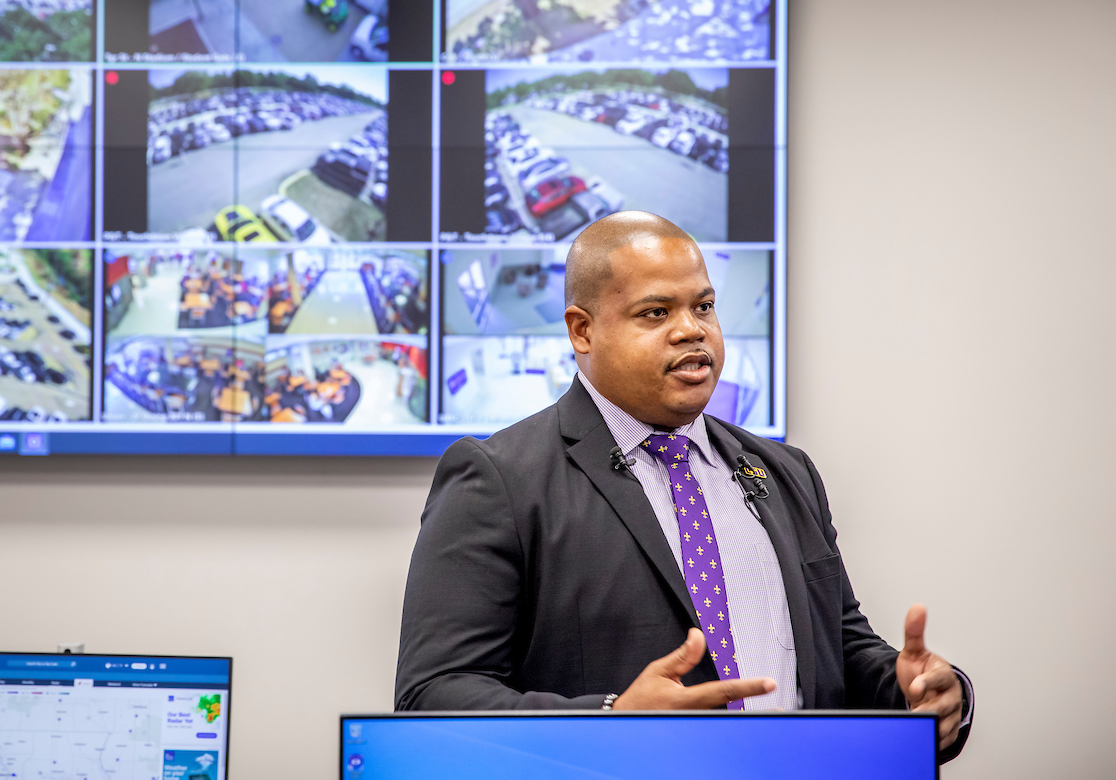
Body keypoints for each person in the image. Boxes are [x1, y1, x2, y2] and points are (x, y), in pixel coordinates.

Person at [395, 211, 973, 762]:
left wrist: (918, 693)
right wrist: (609, 719)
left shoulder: (785, 472)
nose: (691, 330)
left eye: (704, 306)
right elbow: (433, 697)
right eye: (655, 313)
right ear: (583, 330)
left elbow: (837, 652)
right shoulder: (499, 479)